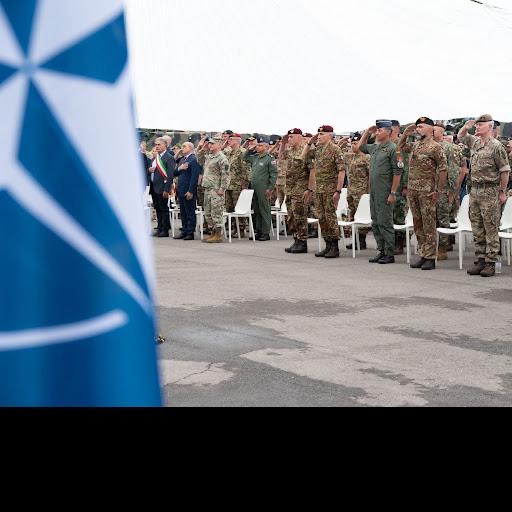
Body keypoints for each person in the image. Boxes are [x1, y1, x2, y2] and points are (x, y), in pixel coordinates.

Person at [458, 115, 511, 277]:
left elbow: (505, 171)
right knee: (477, 226)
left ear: (490, 127)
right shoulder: (475, 142)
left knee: (490, 227)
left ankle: (491, 262)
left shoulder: (496, 146)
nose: (477, 127)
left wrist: (502, 192)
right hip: (475, 190)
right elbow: (461, 136)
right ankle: (480, 259)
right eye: (477, 125)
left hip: (490, 191)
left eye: (480, 125)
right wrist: (466, 127)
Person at [398, 118, 448, 270]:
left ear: (430, 128)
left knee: (429, 225)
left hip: (427, 191)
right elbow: (399, 148)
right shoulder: (416, 145)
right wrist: (405, 133)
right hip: (413, 190)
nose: (417, 129)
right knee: (417, 224)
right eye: (417, 127)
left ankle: (431, 257)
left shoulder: (435, 147)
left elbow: (443, 169)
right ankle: (423, 253)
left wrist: (437, 190)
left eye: (420, 127)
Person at [359, 121, 401, 265]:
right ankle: (381, 250)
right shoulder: (375, 148)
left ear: (389, 132)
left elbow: (397, 173)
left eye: (380, 130)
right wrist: (366, 132)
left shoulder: (393, 149)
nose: (377, 133)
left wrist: (393, 193)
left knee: (385, 222)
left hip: (385, 191)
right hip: (374, 191)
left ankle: (389, 253)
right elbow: (361, 147)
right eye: (376, 131)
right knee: (376, 222)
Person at [303, 125, 346, 259]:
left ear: (330, 135)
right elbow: (303, 156)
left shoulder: (335, 149)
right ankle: (327, 244)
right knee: (321, 217)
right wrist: (310, 141)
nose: (319, 136)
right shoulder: (318, 149)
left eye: (322, 134)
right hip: (319, 189)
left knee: (330, 217)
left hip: (330, 189)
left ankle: (334, 246)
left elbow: (341, 171)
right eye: (319, 134)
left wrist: (338, 191)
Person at [433, 122, 467, 258]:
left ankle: (442, 248)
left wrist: (453, 191)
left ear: (441, 133)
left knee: (443, 219)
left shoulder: (449, 148)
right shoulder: (428, 147)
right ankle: (432, 247)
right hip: (429, 189)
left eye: (434, 130)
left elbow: (453, 171)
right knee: (432, 219)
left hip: (444, 190)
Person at [279, 128, 309, 254]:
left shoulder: (306, 150)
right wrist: (283, 142)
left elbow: (311, 170)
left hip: (300, 188)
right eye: (289, 137)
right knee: (291, 217)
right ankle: (296, 240)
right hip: (290, 188)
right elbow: (281, 156)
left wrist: (309, 189)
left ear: (299, 137)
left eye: (292, 137)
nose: (289, 139)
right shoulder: (290, 151)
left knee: (300, 216)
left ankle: (302, 242)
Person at [243, 136, 277, 241]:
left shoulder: (269, 159)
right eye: (257, 145)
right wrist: (250, 148)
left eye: (260, 145)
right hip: (254, 187)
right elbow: (245, 158)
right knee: (256, 209)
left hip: (263, 188)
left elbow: (274, 174)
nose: (258, 147)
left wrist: (270, 188)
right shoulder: (255, 157)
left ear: (266, 147)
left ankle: (266, 232)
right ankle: (258, 231)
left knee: (264, 209)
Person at [344, 132, 370, 250]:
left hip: (362, 191)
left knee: (362, 215)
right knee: (353, 214)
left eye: (356, 143)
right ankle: (355, 239)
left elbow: (370, 175)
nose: (354, 145)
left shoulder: (366, 157)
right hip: (351, 190)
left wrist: (369, 191)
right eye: (352, 143)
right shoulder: (349, 156)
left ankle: (361, 239)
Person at [202, 138, 230, 244]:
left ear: (219, 144)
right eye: (209, 143)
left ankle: (218, 235)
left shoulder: (222, 158)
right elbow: (199, 160)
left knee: (216, 212)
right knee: (208, 212)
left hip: (216, 189)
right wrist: (202, 148)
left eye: (213, 143)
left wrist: (222, 188)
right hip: (208, 187)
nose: (210, 145)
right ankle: (213, 233)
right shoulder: (210, 156)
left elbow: (226, 174)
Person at [148, 137, 177, 238]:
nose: (156, 146)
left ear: (165, 145)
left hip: (162, 187)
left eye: (159, 144)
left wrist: (166, 189)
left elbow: (170, 175)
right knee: (157, 208)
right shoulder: (156, 157)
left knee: (163, 209)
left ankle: (164, 230)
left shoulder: (168, 157)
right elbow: (154, 170)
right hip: (154, 186)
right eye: (156, 144)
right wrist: (150, 170)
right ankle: (159, 228)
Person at [173, 142, 201, 241]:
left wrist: (191, 191)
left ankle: (190, 232)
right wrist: (180, 168)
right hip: (181, 189)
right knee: (183, 212)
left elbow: (194, 177)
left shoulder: (193, 159)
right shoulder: (183, 159)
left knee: (189, 212)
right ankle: (184, 230)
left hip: (188, 189)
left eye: (184, 146)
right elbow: (174, 173)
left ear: (190, 148)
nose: (182, 148)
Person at [225, 133, 251, 237]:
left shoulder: (242, 152)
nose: (228, 141)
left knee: (239, 208)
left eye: (231, 139)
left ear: (237, 141)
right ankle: (234, 228)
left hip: (239, 185)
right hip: (229, 184)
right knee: (229, 208)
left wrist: (245, 184)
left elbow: (246, 170)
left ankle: (241, 229)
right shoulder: (230, 153)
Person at [390, 120, 409, 255]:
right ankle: (392, 240)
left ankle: (400, 242)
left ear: (396, 129)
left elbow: (405, 166)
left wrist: (406, 185)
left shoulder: (400, 145)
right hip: (388, 184)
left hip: (400, 184)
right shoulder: (386, 145)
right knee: (390, 214)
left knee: (399, 214)